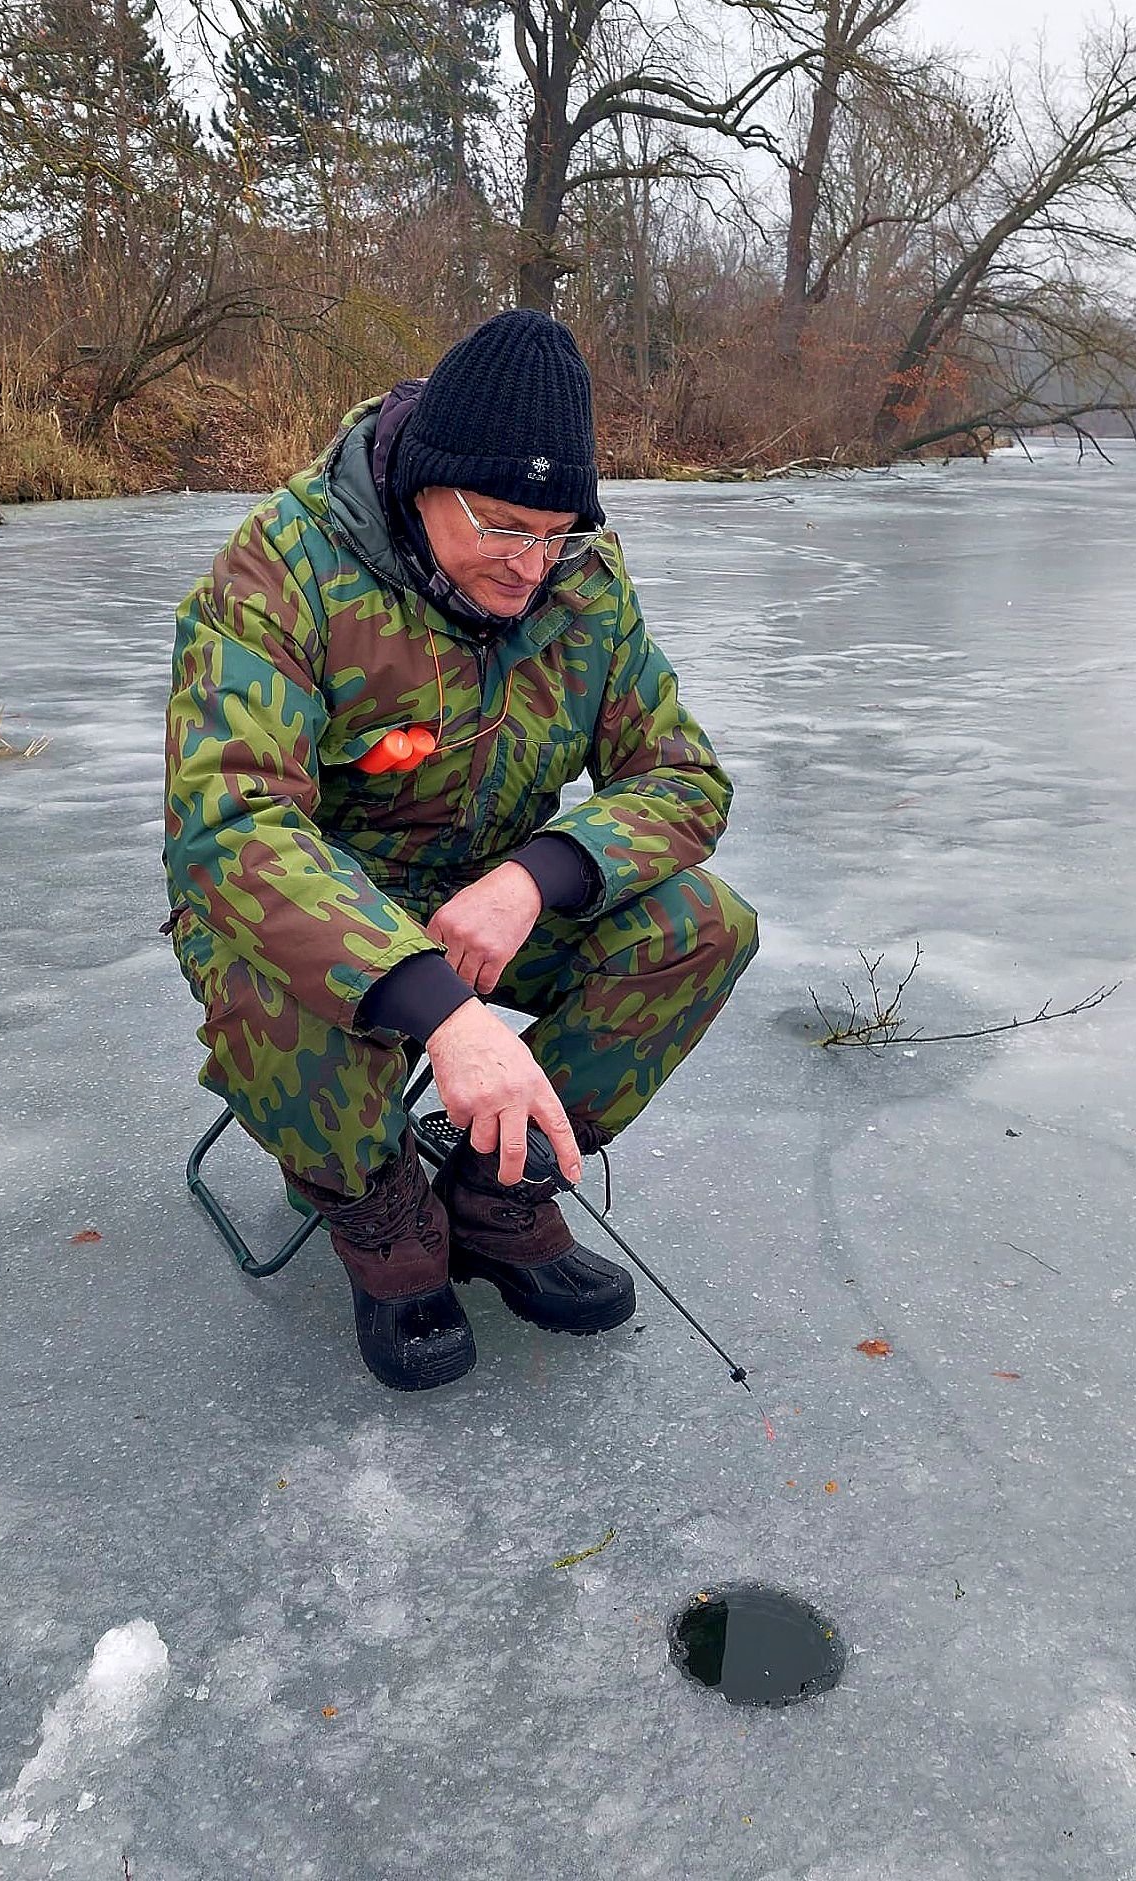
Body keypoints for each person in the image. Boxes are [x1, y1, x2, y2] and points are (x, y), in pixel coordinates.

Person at [163, 309, 759, 1392]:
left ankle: (493, 1194)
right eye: (500, 527)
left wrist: (538, 877)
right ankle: (378, 1211)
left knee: (702, 925)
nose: (531, 566)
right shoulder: (279, 568)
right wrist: (437, 1009)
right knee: (268, 971)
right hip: (302, 911)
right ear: (420, 483)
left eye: (557, 531)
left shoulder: (583, 584)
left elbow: (681, 777)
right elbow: (232, 826)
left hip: (480, 898)